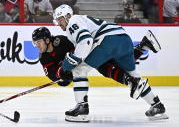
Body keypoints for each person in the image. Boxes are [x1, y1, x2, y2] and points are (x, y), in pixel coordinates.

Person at [32, 25, 168, 122]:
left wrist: (73, 62)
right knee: (119, 66)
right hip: (99, 47)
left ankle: (82, 107)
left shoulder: (61, 41)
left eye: (38, 42)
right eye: (34, 43)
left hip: (92, 49)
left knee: (105, 67)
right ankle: (156, 104)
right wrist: (62, 76)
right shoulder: (43, 57)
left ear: (47, 39)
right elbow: (54, 76)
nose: (37, 46)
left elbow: (80, 46)